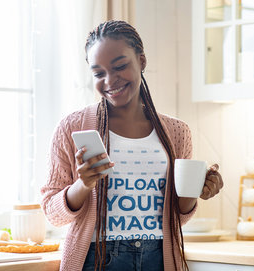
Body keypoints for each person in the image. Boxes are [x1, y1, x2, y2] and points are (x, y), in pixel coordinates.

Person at [41, 20, 223, 271]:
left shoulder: (177, 132)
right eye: (98, 73)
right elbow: (52, 211)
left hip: (159, 258)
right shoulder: (72, 127)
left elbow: (179, 214)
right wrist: (83, 185)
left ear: (142, 61)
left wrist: (198, 188)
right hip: (97, 260)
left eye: (120, 66)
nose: (109, 80)